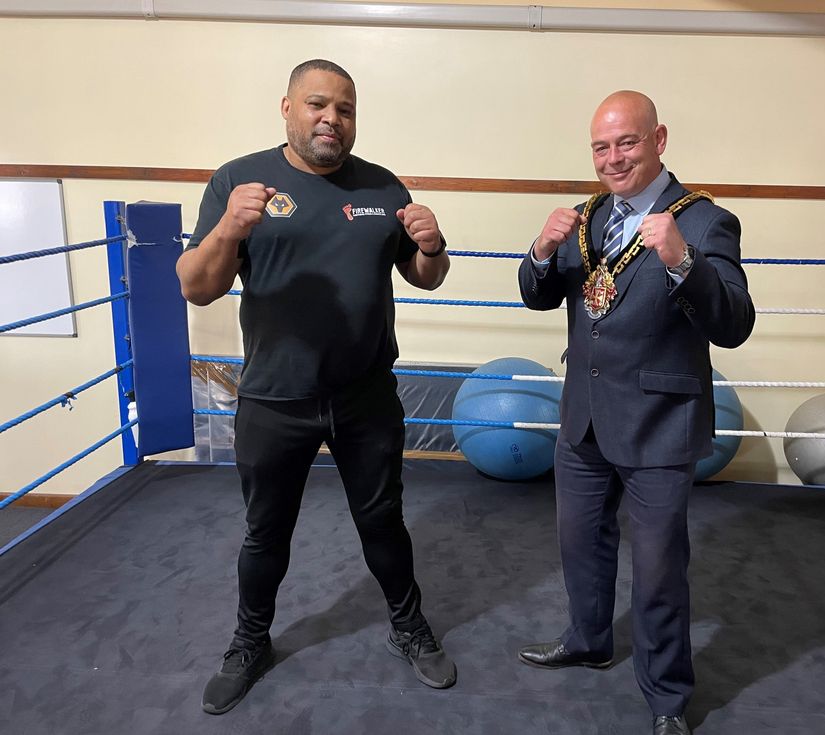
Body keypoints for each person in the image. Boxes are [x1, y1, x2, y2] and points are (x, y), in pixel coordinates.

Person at [176, 59, 456, 716]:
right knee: (265, 532)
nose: (332, 119)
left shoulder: (385, 188)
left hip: (364, 397)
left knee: (384, 522)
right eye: (318, 105)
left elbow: (427, 275)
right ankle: (249, 641)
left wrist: (433, 244)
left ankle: (409, 626)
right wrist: (227, 229)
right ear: (288, 107)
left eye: (346, 109)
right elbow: (196, 284)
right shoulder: (236, 180)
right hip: (275, 399)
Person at [516, 91, 755, 735]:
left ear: (659, 139)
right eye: (601, 146)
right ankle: (589, 640)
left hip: (658, 423)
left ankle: (669, 696)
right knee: (579, 546)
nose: (613, 158)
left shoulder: (705, 221)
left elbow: (734, 324)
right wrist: (540, 250)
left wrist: (682, 260)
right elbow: (539, 297)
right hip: (585, 416)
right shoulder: (587, 216)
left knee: (657, 569)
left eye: (627, 142)